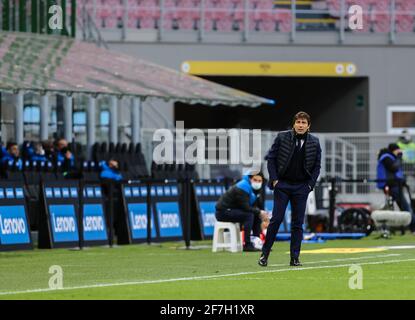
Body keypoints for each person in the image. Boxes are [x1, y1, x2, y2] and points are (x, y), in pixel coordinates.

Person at [259, 111, 321, 267]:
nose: (300, 125)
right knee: (276, 219)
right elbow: (271, 158)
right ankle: (264, 254)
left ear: (309, 126)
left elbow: (317, 166)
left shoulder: (315, 142)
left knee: (297, 224)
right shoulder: (282, 137)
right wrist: (274, 180)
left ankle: (295, 258)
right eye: (298, 122)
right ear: (294, 124)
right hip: (283, 185)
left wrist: (309, 185)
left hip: (302, 187)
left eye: (303, 123)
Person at [215, 172, 269, 252]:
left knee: (256, 214)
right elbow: (245, 207)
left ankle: (257, 243)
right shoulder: (243, 187)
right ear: (250, 179)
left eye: (259, 181)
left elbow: (257, 206)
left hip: (234, 211)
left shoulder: (255, 189)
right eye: (255, 180)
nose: (257, 182)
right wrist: (259, 211)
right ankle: (247, 244)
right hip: (223, 212)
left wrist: (261, 213)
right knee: (249, 215)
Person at [377, 143, 415, 233]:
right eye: (398, 150)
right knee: (406, 208)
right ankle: (413, 227)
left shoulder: (388, 157)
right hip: (392, 186)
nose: (399, 152)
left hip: (394, 186)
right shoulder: (386, 157)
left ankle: (407, 228)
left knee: (401, 208)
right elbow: (394, 168)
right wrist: (399, 157)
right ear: (394, 150)